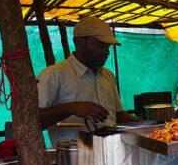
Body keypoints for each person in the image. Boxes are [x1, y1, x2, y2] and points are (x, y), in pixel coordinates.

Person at [37, 16, 141, 145]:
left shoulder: (107, 75)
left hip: (112, 153)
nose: (106, 52)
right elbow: (34, 121)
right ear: (79, 42)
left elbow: (118, 116)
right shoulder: (53, 75)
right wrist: (71, 108)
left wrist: (148, 124)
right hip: (74, 159)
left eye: (107, 46)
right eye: (99, 46)